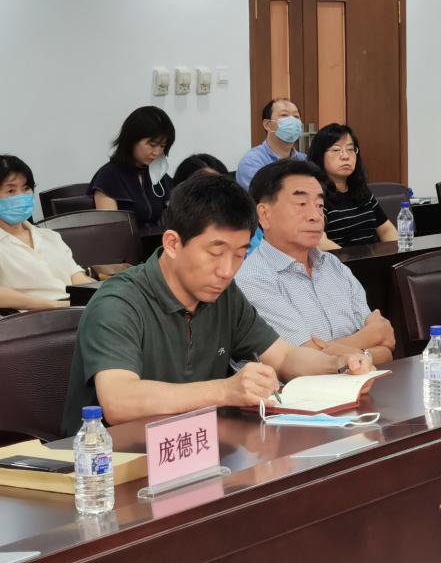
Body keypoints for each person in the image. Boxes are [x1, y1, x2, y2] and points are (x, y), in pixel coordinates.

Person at [61, 173, 371, 435]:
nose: (227, 270)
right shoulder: (119, 302)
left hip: (198, 449)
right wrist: (225, 391)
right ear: (172, 243)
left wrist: (339, 365)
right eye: (215, 253)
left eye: (239, 255)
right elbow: (119, 401)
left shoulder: (225, 295)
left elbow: (284, 356)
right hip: (109, 465)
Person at [235, 159, 396, 364]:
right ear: (264, 215)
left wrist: (344, 351)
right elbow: (301, 360)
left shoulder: (334, 266)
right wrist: (368, 340)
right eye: (301, 204)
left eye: (320, 205)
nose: (315, 216)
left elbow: (387, 349)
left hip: (364, 380)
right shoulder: (252, 278)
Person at [0, 155, 93, 310]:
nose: (21, 196)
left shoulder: (50, 236)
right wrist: (55, 305)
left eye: (26, 188)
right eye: (11, 190)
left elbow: (76, 277)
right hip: (31, 319)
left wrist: (101, 295)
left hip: (74, 312)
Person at [307, 124, 397, 247]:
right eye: (336, 150)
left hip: (375, 257)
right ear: (320, 156)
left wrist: (398, 252)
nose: (345, 156)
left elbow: (386, 229)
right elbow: (319, 241)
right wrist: (351, 260)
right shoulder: (316, 196)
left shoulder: (361, 190)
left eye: (350, 149)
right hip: (339, 259)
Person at [89, 106, 175, 228]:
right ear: (132, 140)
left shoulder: (158, 174)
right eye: (152, 145)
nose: (157, 152)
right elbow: (110, 230)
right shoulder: (108, 177)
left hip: (159, 239)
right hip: (123, 239)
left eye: (162, 146)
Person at [236, 98, 306, 189]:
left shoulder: (304, 159)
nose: (292, 120)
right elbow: (263, 195)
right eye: (284, 115)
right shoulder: (252, 161)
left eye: (296, 116)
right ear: (267, 125)